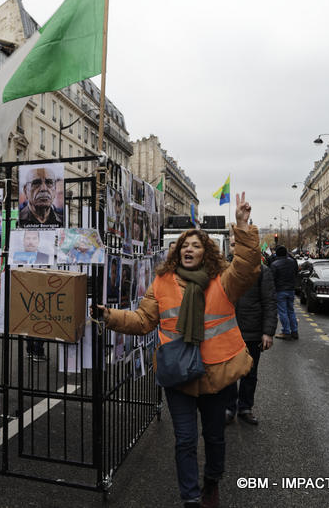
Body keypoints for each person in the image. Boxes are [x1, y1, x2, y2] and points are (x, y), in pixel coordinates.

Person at [95, 192, 259, 508]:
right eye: (185, 245)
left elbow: (248, 267)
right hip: (178, 376)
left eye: (196, 245)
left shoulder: (224, 281)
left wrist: (242, 225)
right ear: (177, 252)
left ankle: (211, 481)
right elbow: (143, 320)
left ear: (206, 252)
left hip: (216, 373)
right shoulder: (162, 283)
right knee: (184, 440)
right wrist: (108, 315)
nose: (189, 249)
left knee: (214, 438)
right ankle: (191, 497)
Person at [224, 234, 277, 426]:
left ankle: (245, 407)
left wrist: (268, 332)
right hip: (227, 332)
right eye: (231, 245)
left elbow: (270, 302)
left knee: (249, 373)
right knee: (228, 373)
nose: (235, 248)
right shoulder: (223, 270)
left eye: (239, 244)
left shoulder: (261, 271)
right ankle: (228, 407)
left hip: (252, 331)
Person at [270, 245, 299, 340]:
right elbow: (296, 273)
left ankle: (286, 331)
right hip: (291, 289)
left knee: (283, 312)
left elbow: (272, 279)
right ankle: (294, 331)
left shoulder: (275, 264)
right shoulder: (292, 262)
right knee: (291, 310)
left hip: (280, 290)